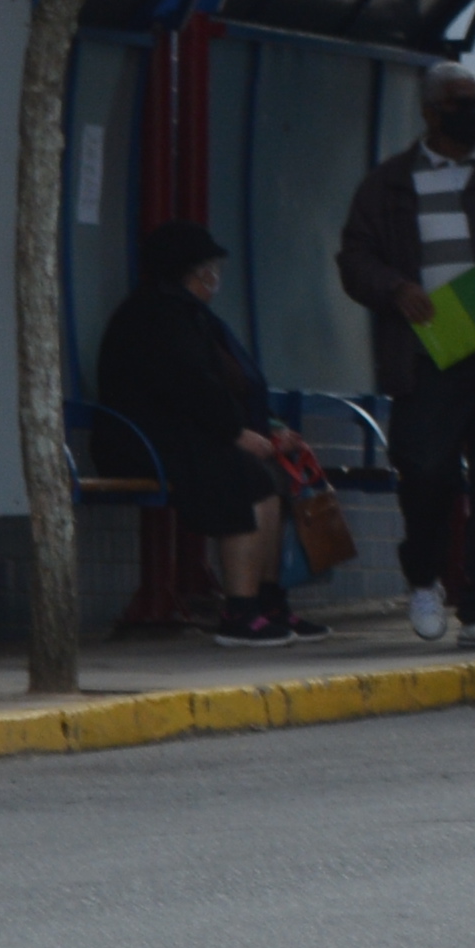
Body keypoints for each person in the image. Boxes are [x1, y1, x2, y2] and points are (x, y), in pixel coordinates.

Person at [337, 62, 475, 648]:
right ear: (433, 112)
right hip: (428, 350)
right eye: (461, 103)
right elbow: (354, 258)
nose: (474, 113)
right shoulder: (390, 183)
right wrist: (396, 288)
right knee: (426, 471)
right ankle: (423, 577)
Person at [93, 219, 313, 648]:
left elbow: (235, 386)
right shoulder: (157, 315)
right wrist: (236, 434)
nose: (213, 279)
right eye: (204, 270)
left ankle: (268, 601)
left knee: (271, 477)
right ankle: (241, 611)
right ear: (185, 273)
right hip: (145, 443)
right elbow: (191, 385)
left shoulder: (191, 316)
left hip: (185, 435)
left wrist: (270, 429)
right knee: (246, 478)